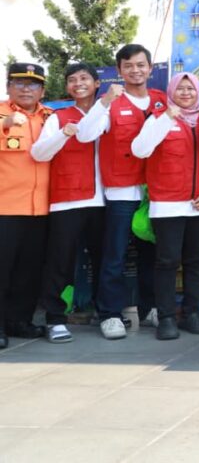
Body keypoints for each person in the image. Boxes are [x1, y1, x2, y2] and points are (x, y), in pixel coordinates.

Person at [77, 44, 165, 340]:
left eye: (141, 65)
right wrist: (103, 104)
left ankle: (150, 307)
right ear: (119, 70)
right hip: (120, 192)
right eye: (129, 66)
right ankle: (110, 314)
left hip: (155, 191)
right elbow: (86, 134)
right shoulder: (110, 102)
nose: (135, 70)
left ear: (150, 69)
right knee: (114, 255)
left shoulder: (161, 101)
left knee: (150, 254)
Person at [131, 72, 199, 340]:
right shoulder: (158, 118)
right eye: (180, 89)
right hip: (167, 204)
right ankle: (166, 317)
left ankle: (192, 313)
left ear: (198, 92)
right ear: (172, 92)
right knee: (167, 262)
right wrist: (167, 118)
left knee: (195, 262)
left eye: (190, 89)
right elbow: (140, 149)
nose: (186, 93)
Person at [31, 63, 105, 343]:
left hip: (103, 200)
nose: (78, 83)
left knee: (105, 260)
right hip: (67, 200)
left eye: (84, 78)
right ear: (66, 88)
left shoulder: (108, 113)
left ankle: (106, 311)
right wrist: (64, 134)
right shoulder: (57, 117)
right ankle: (55, 318)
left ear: (97, 83)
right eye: (72, 80)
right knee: (60, 261)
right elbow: (39, 154)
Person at [0, 62, 52, 348]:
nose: (25, 88)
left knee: (29, 271)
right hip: (4, 208)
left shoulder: (50, 117)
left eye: (32, 84)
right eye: (18, 82)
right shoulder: (2, 112)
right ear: (8, 87)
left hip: (40, 209)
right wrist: (5, 125)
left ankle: (19, 321)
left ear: (42, 90)